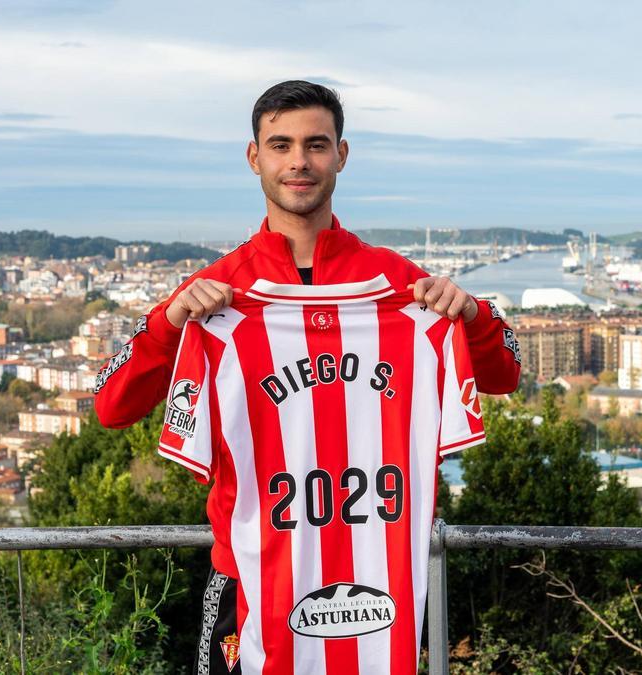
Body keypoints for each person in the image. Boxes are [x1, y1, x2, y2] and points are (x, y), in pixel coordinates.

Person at [94, 80, 521, 673]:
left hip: (379, 581)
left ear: (342, 155)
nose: (299, 161)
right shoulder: (215, 297)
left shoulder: (400, 287)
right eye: (281, 145)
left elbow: (505, 373)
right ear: (255, 158)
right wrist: (170, 322)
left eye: (317, 145)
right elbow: (111, 405)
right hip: (247, 577)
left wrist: (470, 314)